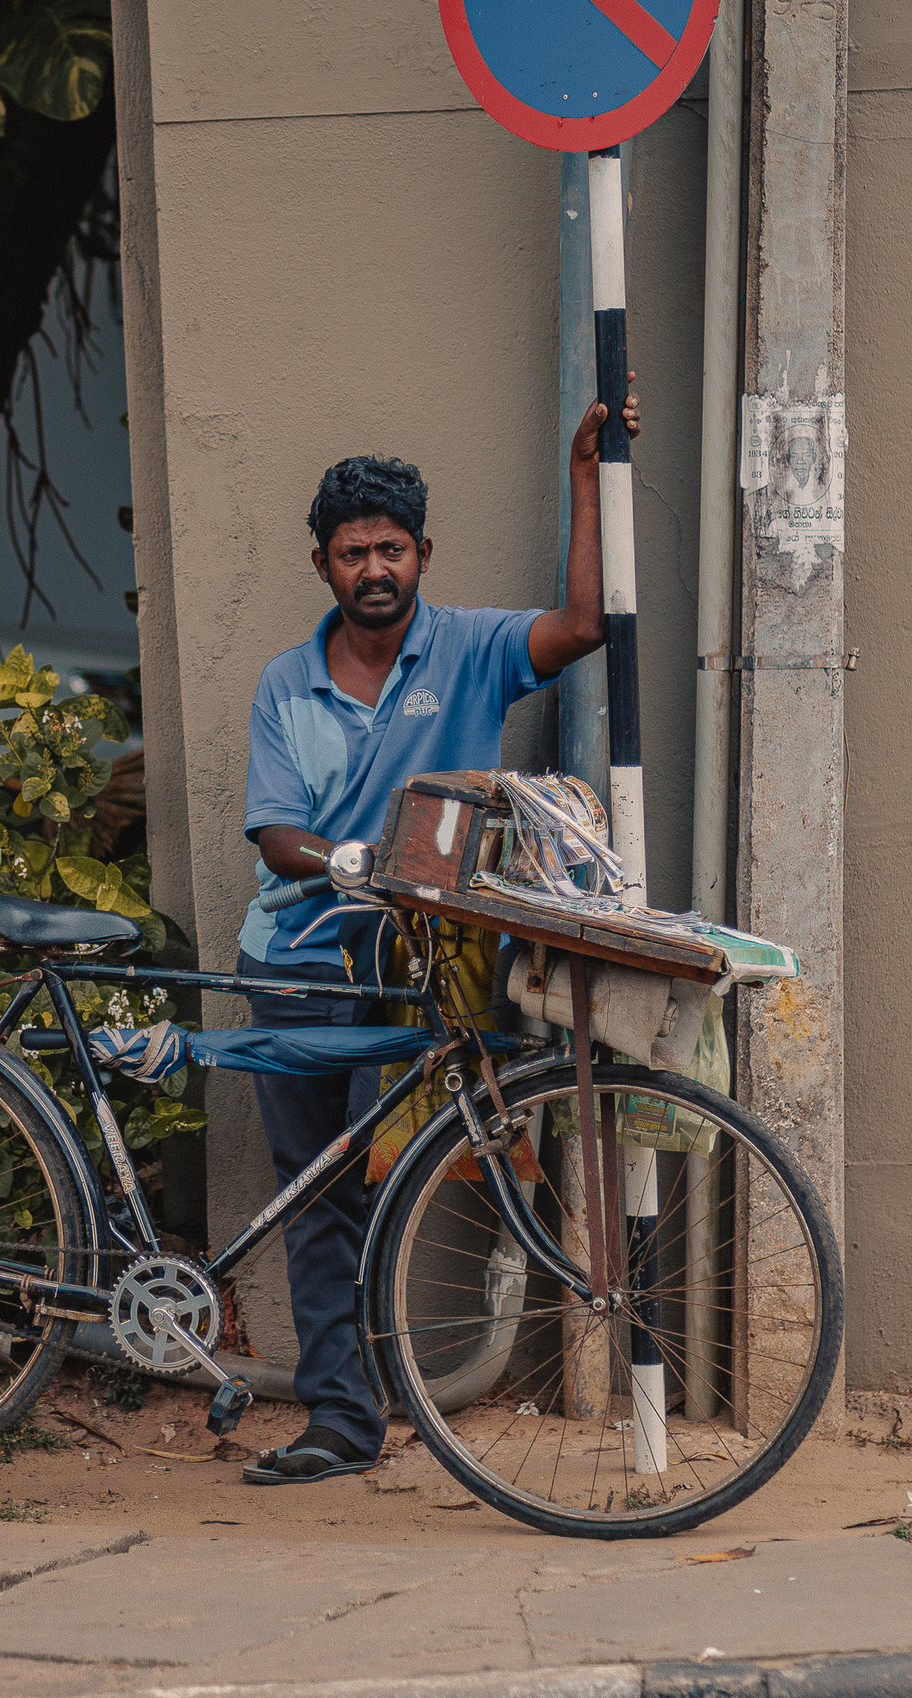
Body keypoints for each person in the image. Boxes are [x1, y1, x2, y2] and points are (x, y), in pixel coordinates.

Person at [235, 386, 642, 1485]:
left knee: (399, 1178)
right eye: (352, 551)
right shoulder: (288, 681)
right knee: (318, 1192)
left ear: (423, 554)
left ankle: (384, 1396)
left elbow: (582, 628)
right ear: (321, 564)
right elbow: (275, 835)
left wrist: (583, 480)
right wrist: (352, 863)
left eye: (393, 549)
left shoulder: (470, 649)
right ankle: (339, 1420)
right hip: (297, 967)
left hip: (422, 968)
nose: (374, 568)